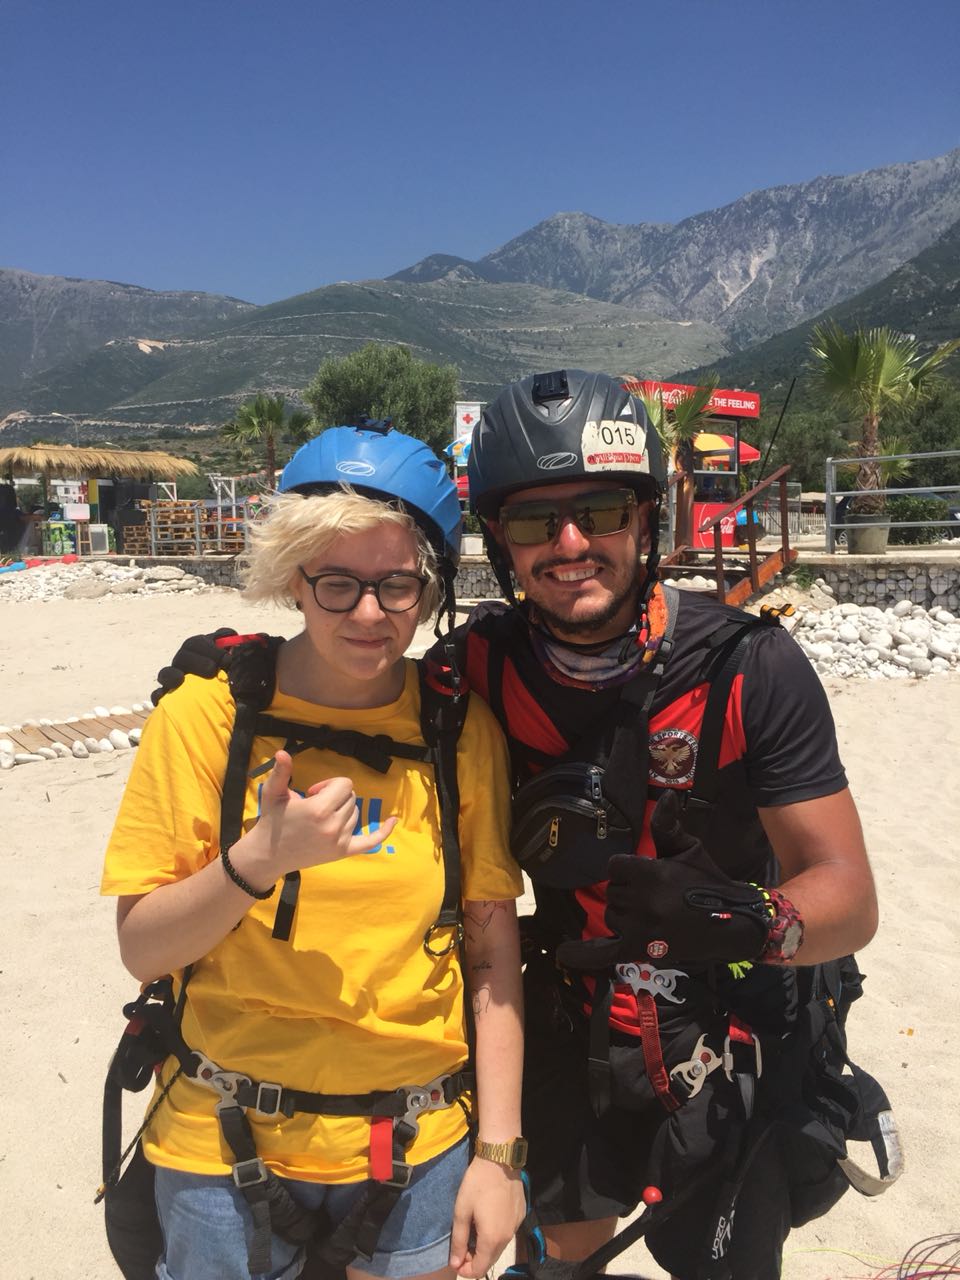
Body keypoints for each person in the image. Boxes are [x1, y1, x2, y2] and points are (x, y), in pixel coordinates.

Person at [156, 374, 882, 1280]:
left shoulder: (750, 669)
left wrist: (749, 920)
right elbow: (358, 662)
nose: (571, 544)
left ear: (646, 519)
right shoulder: (478, 673)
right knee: (556, 1263)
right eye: (537, 521)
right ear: (500, 543)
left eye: (601, 511)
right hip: (568, 1019)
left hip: (727, 1022)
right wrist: (246, 670)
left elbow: (851, 899)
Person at [101, 421, 527, 1280]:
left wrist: (500, 1155)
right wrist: (256, 861)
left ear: (430, 589)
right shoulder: (208, 716)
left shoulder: (454, 728)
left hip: (418, 1144)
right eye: (337, 584)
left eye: (397, 585)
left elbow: (490, 952)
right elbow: (143, 948)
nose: (369, 614)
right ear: (294, 580)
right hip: (222, 1142)